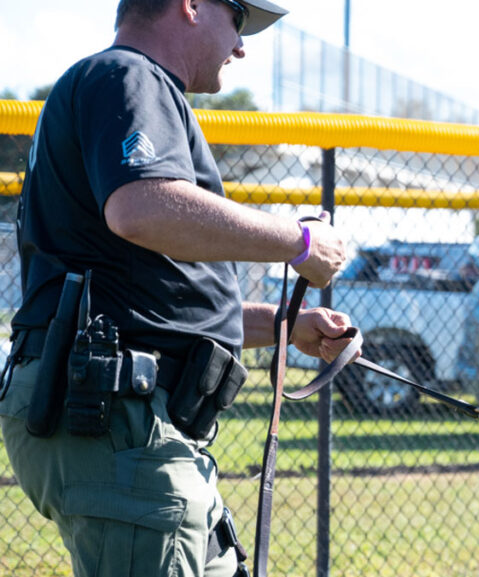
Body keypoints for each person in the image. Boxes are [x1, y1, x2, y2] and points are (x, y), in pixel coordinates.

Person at [0, 1, 360, 576]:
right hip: (119, 420)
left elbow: (154, 302)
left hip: (123, 416)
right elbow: (140, 208)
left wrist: (286, 328)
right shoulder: (129, 75)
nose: (241, 46)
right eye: (239, 21)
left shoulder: (123, 87)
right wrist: (299, 242)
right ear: (191, 5)